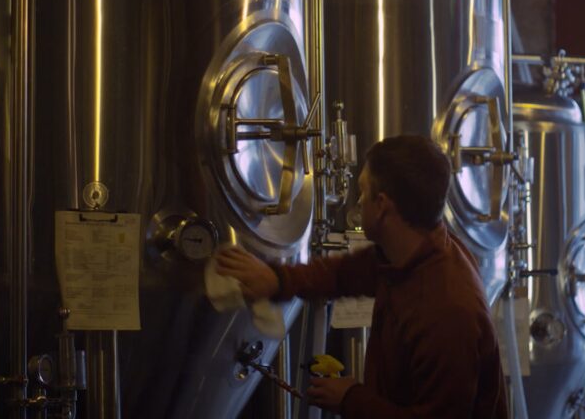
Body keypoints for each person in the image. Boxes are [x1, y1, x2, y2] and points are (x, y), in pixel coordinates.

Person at [216, 135, 508, 418]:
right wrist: (277, 280)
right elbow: (349, 272)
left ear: (382, 205)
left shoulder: (447, 312)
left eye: (363, 190)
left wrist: (351, 399)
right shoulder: (417, 251)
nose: (358, 201)